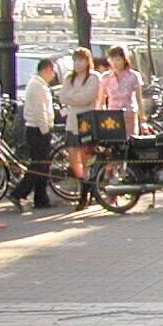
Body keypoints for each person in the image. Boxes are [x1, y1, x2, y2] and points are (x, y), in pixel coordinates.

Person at [9, 57, 57, 212]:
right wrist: (46, 130)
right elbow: (39, 112)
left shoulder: (38, 85)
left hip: (36, 129)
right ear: (47, 69)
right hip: (37, 129)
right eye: (53, 71)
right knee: (38, 165)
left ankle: (41, 198)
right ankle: (19, 193)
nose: (54, 75)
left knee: (42, 165)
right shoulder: (37, 86)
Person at [62, 46, 101, 206]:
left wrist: (73, 97)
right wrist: (74, 97)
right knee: (73, 157)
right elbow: (63, 96)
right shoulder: (68, 78)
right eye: (75, 60)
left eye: (81, 60)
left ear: (88, 61)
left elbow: (88, 98)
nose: (78, 64)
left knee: (86, 158)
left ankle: (85, 192)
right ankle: (83, 184)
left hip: (87, 122)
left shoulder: (94, 78)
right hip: (72, 122)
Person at [97, 45, 144, 136]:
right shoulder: (106, 77)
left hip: (129, 114)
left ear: (124, 60)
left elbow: (139, 100)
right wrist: (99, 118)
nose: (115, 63)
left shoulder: (134, 76)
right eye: (112, 59)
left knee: (129, 142)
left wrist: (142, 119)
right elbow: (101, 100)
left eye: (118, 59)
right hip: (112, 116)